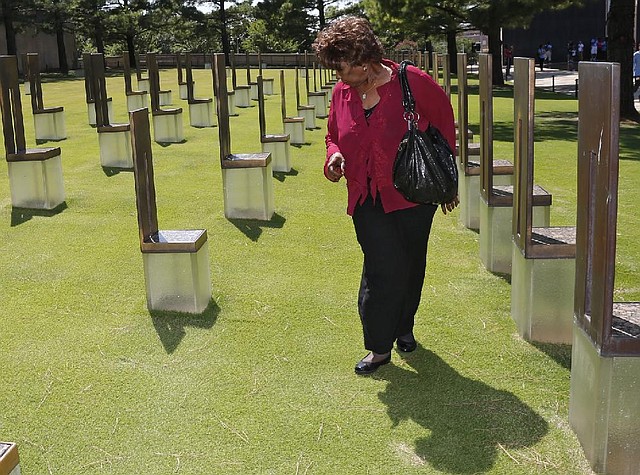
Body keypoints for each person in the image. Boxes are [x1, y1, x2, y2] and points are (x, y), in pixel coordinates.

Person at [312, 16, 457, 376]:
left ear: (365, 61)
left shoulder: (413, 83)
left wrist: (446, 186)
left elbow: (444, 130)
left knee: (411, 265)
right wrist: (333, 156)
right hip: (366, 196)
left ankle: (404, 326)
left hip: (413, 195)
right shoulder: (341, 92)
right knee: (383, 268)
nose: (338, 76)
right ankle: (379, 346)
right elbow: (333, 133)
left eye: (342, 68)